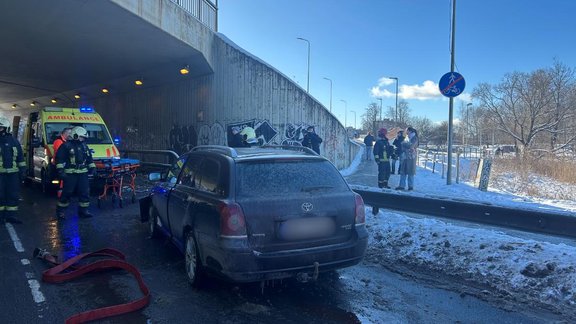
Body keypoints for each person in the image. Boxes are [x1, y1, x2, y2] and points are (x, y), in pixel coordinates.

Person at [55, 126, 96, 219]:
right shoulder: (66, 146)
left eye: (84, 138)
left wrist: (93, 168)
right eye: (82, 137)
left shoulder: (84, 146)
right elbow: (59, 159)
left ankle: (83, 211)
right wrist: (61, 171)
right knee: (67, 192)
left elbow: (89, 159)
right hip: (70, 174)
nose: (83, 139)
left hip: (83, 173)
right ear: (75, 135)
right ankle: (60, 211)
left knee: (84, 192)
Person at [0, 117, 26, 224]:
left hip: (13, 174)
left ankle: (11, 216)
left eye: (1, 128)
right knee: (0, 195)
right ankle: (1, 217)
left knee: (13, 195)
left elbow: (20, 157)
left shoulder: (14, 142)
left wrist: (23, 170)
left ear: (6, 128)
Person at [396, 126, 419, 191]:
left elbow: (411, 146)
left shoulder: (414, 138)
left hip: (411, 158)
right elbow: (403, 145)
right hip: (405, 157)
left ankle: (410, 186)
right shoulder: (406, 138)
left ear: (410, 131)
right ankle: (401, 186)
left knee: (410, 172)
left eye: (407, 131)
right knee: (403, 172)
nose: (406, 132)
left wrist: (405, 145)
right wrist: (405, 145)